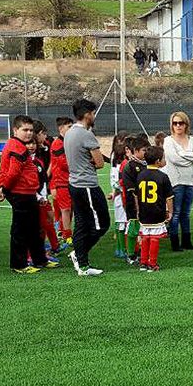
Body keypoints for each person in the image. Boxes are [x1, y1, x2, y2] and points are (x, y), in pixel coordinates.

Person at [0, 115, 53, 274]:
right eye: (25, 130)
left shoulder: (17, 145)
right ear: (15, 130)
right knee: (21, 230)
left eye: (31, 130)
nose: (29, 133)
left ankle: (40, 260)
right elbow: (13, 172)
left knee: (34, 228)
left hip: (28, 192)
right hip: (20, 193)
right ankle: (19, 264)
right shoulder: (17, 147)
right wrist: (5, 189)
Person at [64, 99, 109, 276]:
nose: (94, 116)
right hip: (87, 185)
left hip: (74, 184)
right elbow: (99, 163)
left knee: (82, 224)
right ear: (87, 114)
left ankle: (82, 265)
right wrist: (93, 161)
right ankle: (79, 254)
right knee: (101, 224)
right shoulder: (86, 135)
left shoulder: (69, 133)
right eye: (93, 113)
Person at [163, 111, 193, 252]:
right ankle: (175, 242)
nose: (178, 126)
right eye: (175, 123)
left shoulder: (192, 140)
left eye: (181, 123)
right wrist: (188, 158)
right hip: (175, 182)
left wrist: (183, 155)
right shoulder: (168, 141)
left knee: (186, 213)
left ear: (186, 124)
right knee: (176, 213)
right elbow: (174, 158)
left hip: (190, 182)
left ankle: (187, 241)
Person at [135, 146, 173, 271]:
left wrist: (138, 210)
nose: (164, 161)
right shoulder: (163, 176)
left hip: (144, 212)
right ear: (158, 161)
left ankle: (143, 262)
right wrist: (170, 212)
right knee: (155, 238)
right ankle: (152, 263)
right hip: (157, 212)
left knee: (145, 236)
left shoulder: (140, 175)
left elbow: (136, 196)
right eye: (163, 159)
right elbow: (169, 198)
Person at [31, 120, 59, 257]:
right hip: (36, 196)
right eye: (43, 133)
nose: (45, 136)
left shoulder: (43, 150)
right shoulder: (32, 157)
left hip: (42, 193)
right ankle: (34, 254)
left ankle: (50, 248)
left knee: (48, 218)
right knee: (38, 225)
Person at [121, 137, 150, 263]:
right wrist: (138, 207)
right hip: (134, 205)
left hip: (146, 203)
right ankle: (131, 254)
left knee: (144, 229)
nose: (146, 153)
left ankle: (142, 253)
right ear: (136, 151)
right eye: (144, 150)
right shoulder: (130, 167)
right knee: (133, 229)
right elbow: (132, 191)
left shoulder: (145, 165)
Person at [49, 117, 74, 250]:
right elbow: (63, 164)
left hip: (71, 180)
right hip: (61, 182)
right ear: (61, 128)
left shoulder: (69, 141)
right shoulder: (57, 144)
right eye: (69, 126)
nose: (71, 129)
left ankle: (65, 232)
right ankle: (66, 234)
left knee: (71, 209)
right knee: (65, 209)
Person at [109, 132, 129, 259]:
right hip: (121, 195)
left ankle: (121, 248)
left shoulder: (118, 160)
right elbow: (117, 181)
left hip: (120, 194)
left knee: (122, 221)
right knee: (122, 222)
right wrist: (116, 192)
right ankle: (121, 248)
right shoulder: (118, 161)